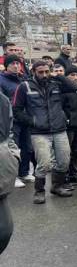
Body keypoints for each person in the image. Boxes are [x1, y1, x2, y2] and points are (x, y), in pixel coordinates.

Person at [12, 60, 77, 204]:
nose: (44, 75)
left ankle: (57, 186)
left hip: (59, 129)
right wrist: (33, 122)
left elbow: (73, 87)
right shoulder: (24, 86)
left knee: (64, 161)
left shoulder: (56, 83)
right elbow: (16, 109)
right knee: (44, 163)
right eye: (40, 72)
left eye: (47, 71)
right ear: (34, 72)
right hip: (39, 132)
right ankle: (39, 191)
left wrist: (58, 76)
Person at [0, 54, 34, 188]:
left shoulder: (22, 79)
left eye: (17, 63)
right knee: (14, 149)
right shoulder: (1, 80)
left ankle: (24, 172)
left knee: (27, 147)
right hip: (11, 120)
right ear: (6, 65)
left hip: (25, 118)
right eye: (12, 63)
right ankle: (12, 176)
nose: (15, 66)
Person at [0, 91, 20, 255]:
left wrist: (12, 156)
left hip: (0, 184)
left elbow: (8, 135)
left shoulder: (2, 100)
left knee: (3, 232)